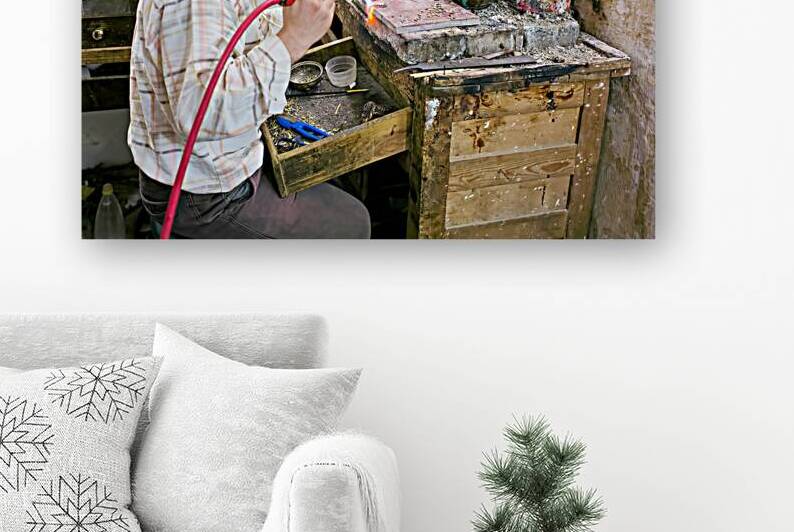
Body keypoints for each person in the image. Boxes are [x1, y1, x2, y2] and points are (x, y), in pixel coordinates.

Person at [128, 0, 371, 238]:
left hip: (211, 168)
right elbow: (201, 114)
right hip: (204, 194)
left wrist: (297, 16)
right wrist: (293, 38)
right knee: (352, 224)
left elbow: (242, 22)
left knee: (329, 180)